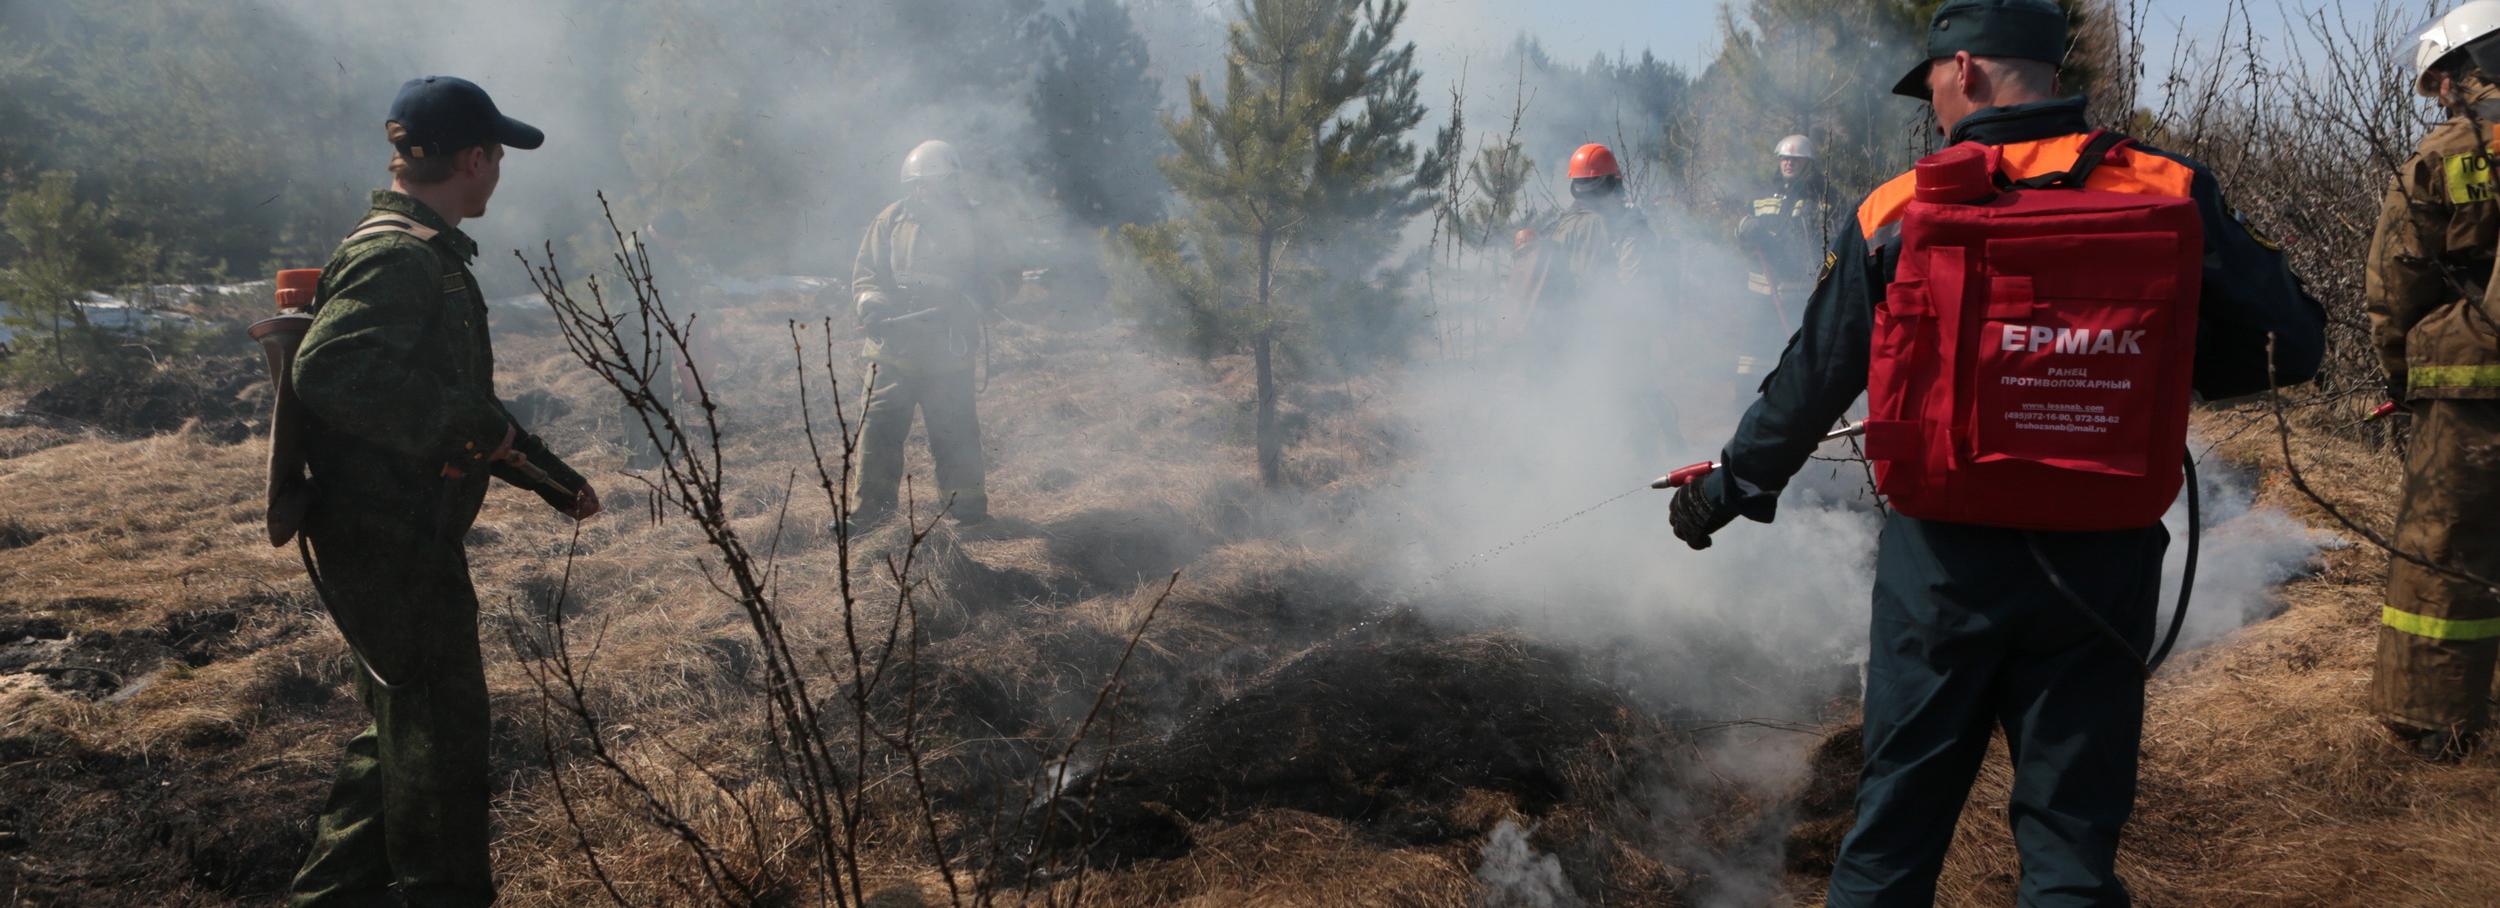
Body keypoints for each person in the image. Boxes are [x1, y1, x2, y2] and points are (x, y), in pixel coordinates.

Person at [1666, 1, 2325, 903]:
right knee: (2069, 839)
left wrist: (1731, 485)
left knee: (1893, 829)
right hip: (2100, 560)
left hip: (1941, 568)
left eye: (1933, 81)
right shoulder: (2168, 188)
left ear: (1966, 70)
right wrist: (2157, 358)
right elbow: (2294, 342)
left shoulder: (1901, 206)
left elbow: (1813, 376)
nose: (1933, 102)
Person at [286, 75, 600, 907]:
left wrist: (549, 479)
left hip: (401, 531)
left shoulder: (417, 249)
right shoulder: (399, 254)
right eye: (495, 155)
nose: (498, 171)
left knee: (400, 730)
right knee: (443, 739)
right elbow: (333, 370)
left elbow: (456, 404)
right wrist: (462, 427)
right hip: (390, 537)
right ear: (471, 158)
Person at [2368, 0, 2500, 761]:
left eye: (2438, 84)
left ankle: (2435, 723)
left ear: (2456, 73)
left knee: (2443, 555)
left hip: (2470, 385)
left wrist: (2399, 374)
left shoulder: (2447, 152)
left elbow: (2397, 279)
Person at [846, 139, 1004, 530]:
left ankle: (966, 512)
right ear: (912, 184)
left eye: (942, 183)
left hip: (948, 350)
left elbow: (1002, 276)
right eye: (924, 184)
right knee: (878, 430)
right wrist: (872, 305)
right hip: (893, 350)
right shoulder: (890, 220)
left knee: (954, 432)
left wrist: (971, 301)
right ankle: (871, 514)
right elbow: (866, 272)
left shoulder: (975, 224)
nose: (931, 191)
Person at [1734, 134, 1831, 377]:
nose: (1788, 164)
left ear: (1808, 164)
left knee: (1790, 356)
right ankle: (1745, 397)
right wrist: (1744, 230)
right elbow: (1743, 235)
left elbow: (1812, 246)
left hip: (1795, 297)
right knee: (1752, 357)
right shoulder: (1763, 196)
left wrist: (1769, 240)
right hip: (1759, 296)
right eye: (1784, 159)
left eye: (1796, 160)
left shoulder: (1821, 199)